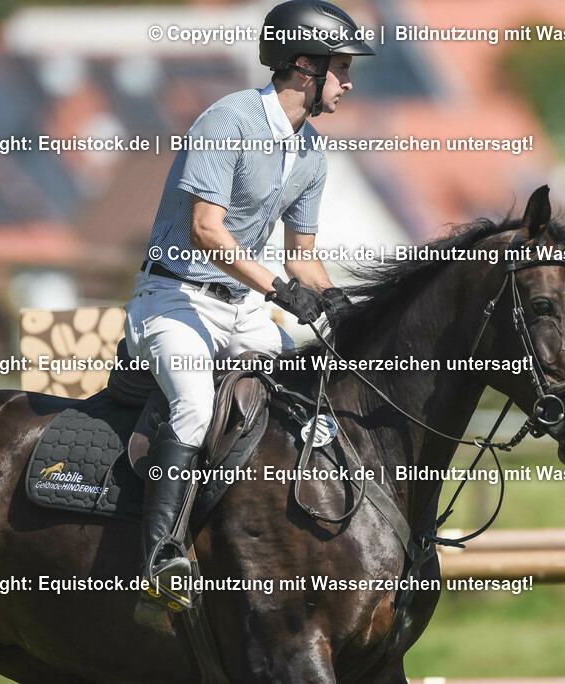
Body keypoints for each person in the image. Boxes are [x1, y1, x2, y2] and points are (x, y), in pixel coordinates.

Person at [124, 0, 374, 611]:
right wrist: (280, 293)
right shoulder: (226, 122)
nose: (349, 81)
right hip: (174, 298)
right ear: (304, 67)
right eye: (341, 68)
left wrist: (338, 305)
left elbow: (301, 258)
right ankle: (157, 562)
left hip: (242, 310)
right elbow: (207, 232)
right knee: (192, 405)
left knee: (320, 385)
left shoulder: (310, 149)